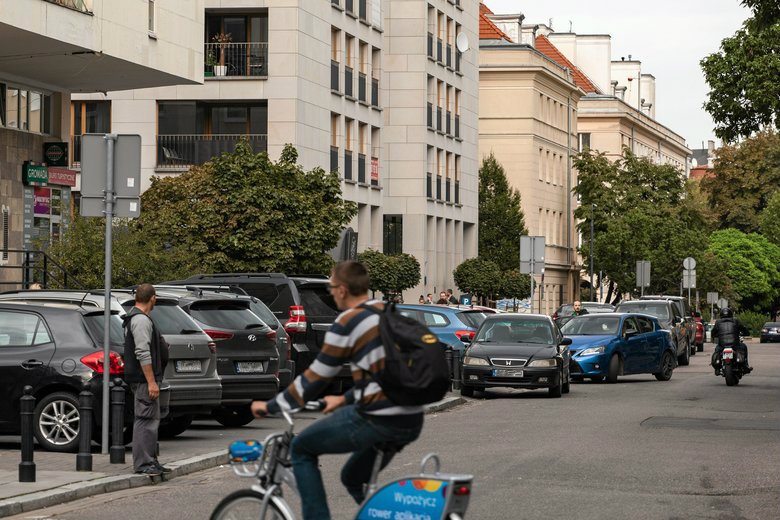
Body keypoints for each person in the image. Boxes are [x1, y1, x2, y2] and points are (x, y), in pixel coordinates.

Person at [250, 261, 424, 520]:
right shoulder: (390, 312)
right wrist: (345, 398)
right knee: (352, 479)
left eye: (332, 287)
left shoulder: (348, 320)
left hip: (377, 416)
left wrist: (270, 406)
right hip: (411, 417)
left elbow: (315, 378)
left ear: (342, 289)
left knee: (301, 449)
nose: (330, 293)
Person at [122, 284, 170, 476]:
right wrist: (151, 381)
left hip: (145, 379)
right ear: (152, 298)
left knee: (151, 419)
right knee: (145, 420)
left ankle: (150, 460)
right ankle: (144, 463)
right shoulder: (140, 320)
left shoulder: (136, 317)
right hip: (144, 380)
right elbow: (142, 353)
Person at [711, 307, 751, 374]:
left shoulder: (718, 322)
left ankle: (717, 368)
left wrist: (715, 336)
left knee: (717, 350)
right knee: (744, 347)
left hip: (722, 346)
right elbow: (743, 329)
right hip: (735, 345)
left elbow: (713, 332)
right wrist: (746, 333)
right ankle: (745, 365)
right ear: (731, 314)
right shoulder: (735, 321)